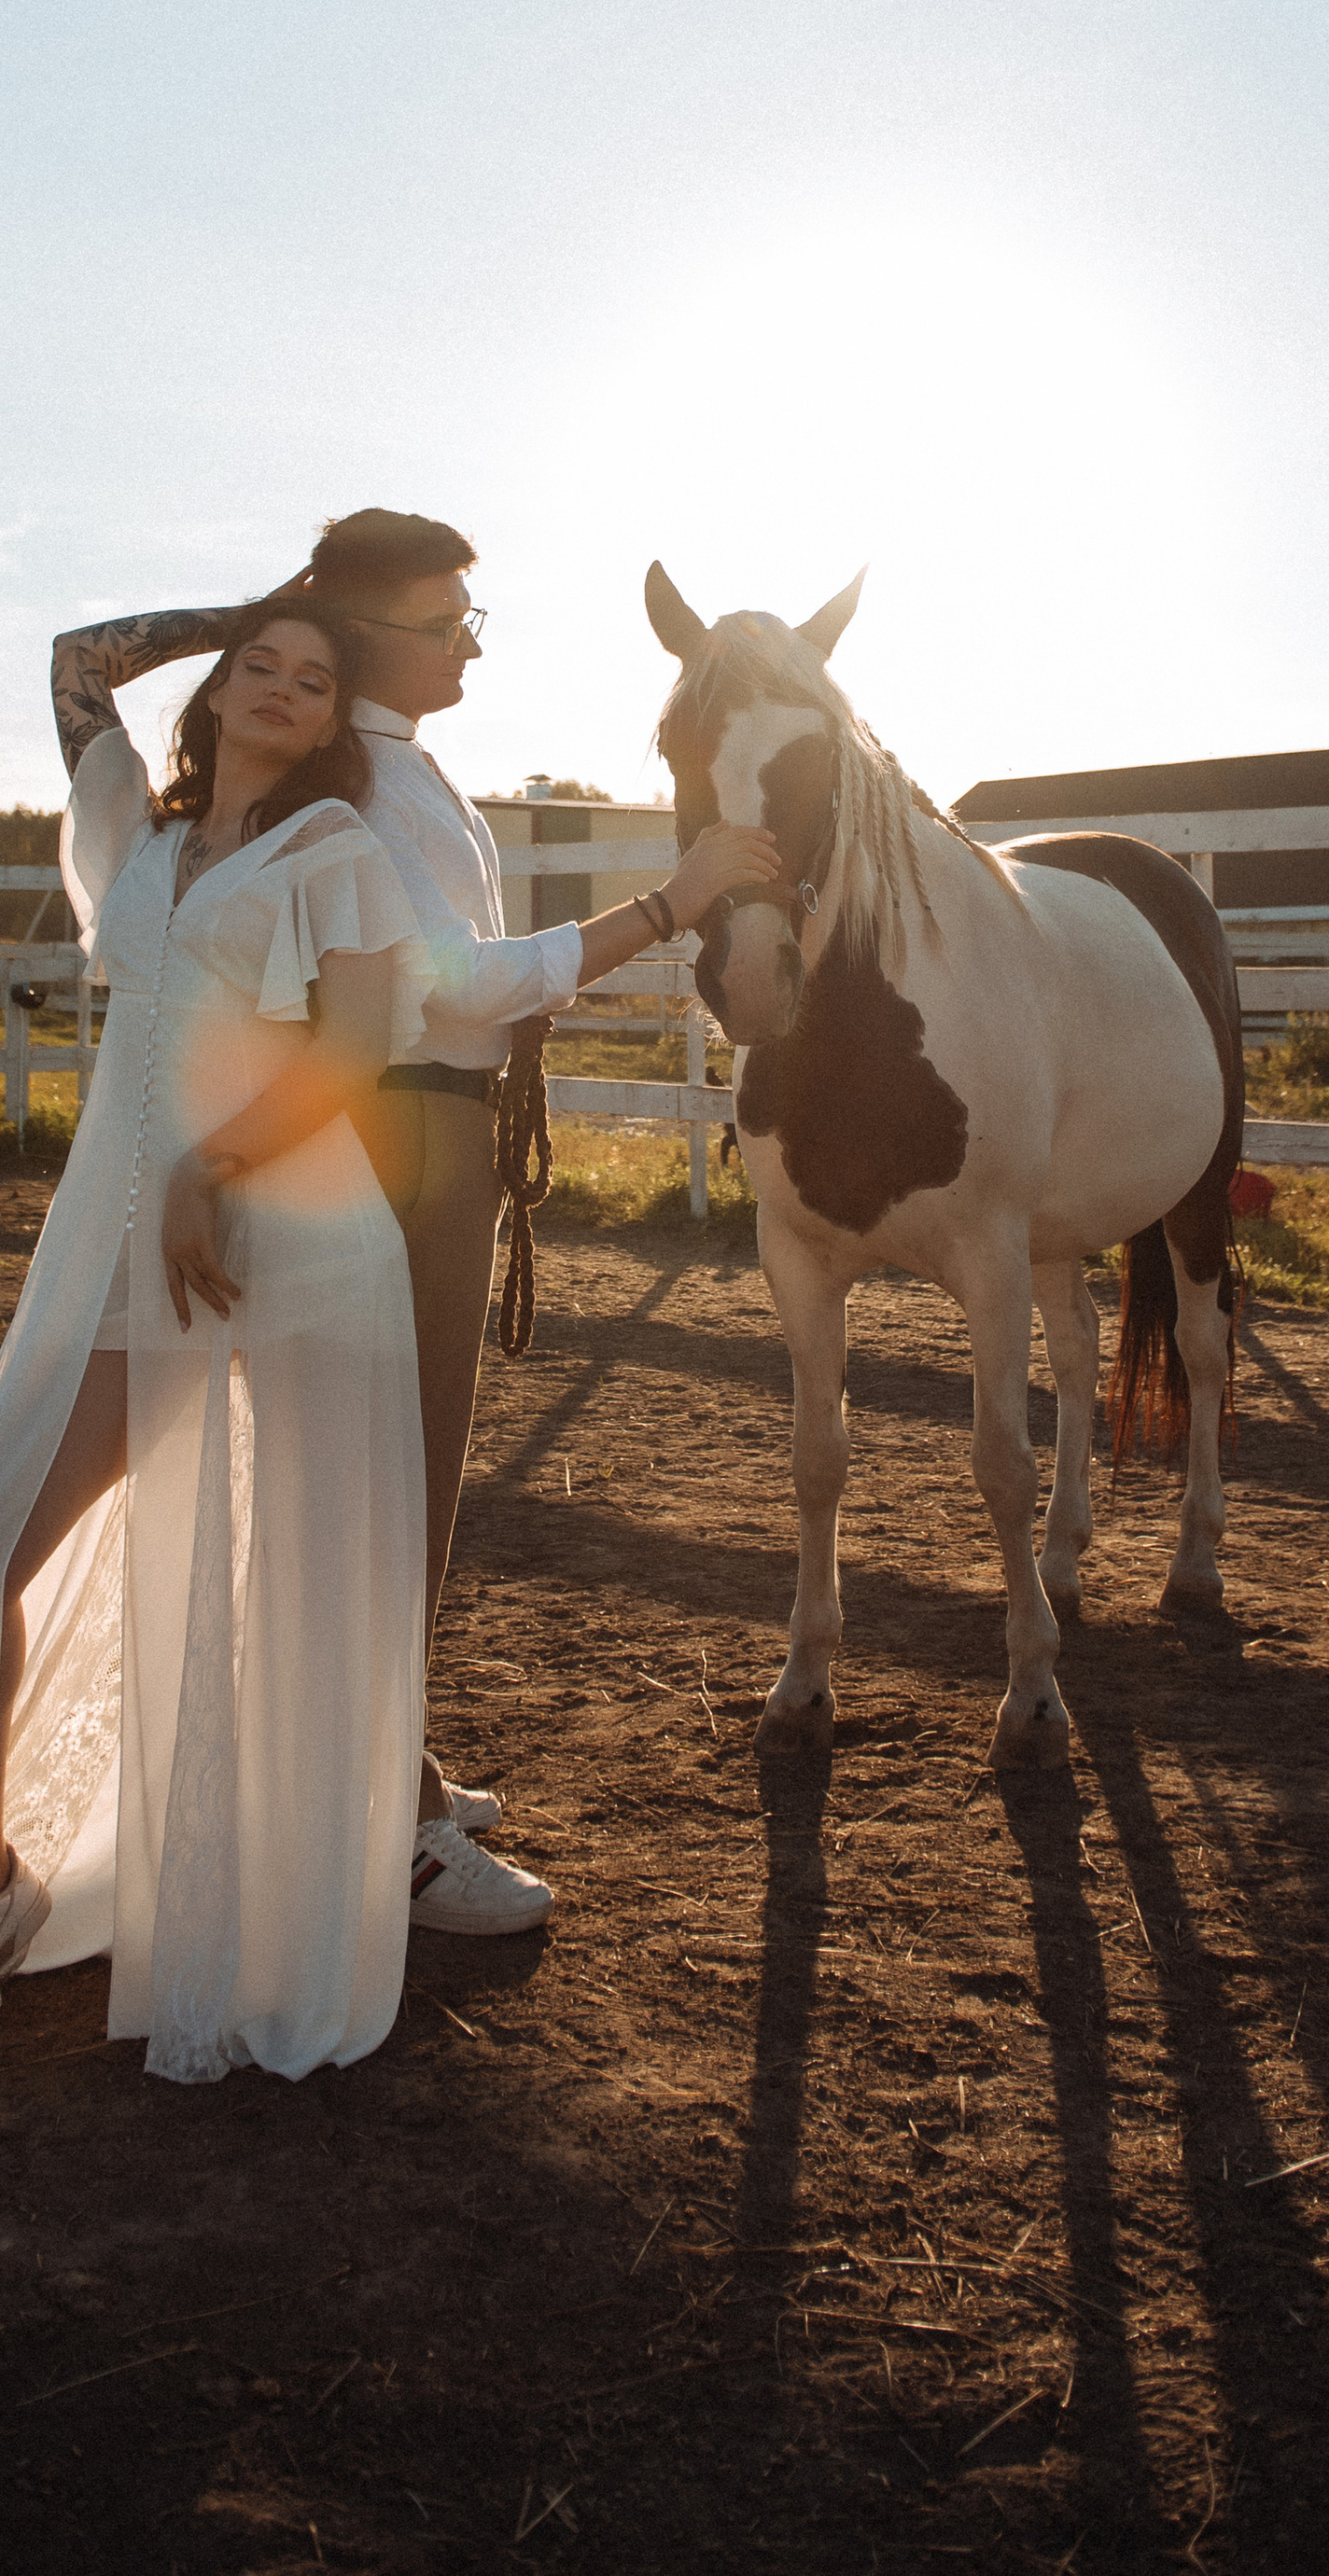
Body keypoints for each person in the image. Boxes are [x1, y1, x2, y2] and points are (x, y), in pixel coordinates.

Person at [0, 594, 435, 2081]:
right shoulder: (143, 842)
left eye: (319, 677)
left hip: (297, 1255)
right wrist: (257, 601)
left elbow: (356, 1049)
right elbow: (75, 666)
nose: (289, 690)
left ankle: (278, 1941)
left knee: (294, 1598)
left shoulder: (337, 855)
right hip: (124, 1263)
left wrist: (212, 1165)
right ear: (222, 684)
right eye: (264, 667)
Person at [291, 509, 779, 1932]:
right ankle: (389, 1832)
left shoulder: (398, 770)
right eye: (446, 622)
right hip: (411, 1126)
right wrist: (662, 905)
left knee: (412, 1465)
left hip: (440, 1122)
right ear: (368, 631)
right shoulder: (368, 791)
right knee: (403, 1469)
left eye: (468, 620)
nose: (467, 645)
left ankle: (400, 1763)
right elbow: (454, 986)